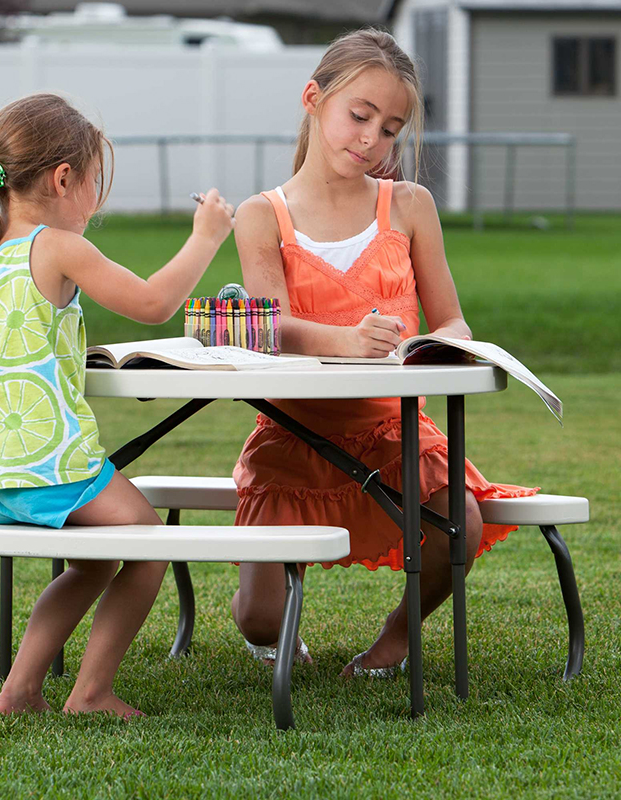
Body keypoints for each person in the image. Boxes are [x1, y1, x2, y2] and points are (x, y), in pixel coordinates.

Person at [230, 29, 537, 676]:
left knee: (464, 522)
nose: (372, 138)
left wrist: (448, 345)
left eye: (391, 128)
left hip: (394, 428)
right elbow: (272, 325)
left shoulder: (411, 206)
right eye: (360, 116)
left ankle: (396, 638)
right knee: (258, 616)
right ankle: (269, 619)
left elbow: (450, 318)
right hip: (296, 435)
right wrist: (345, 341)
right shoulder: (262, 215)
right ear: (315, 99)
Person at [0, 93, 234, 716]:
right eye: (97, 183)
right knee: (149, 542)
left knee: (94, 564)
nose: (97, 200)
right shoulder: (57, 247)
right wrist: (207, 237)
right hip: (45, 467)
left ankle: (21, 691)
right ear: (64, 179)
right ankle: (90, 693)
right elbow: (151, 305)